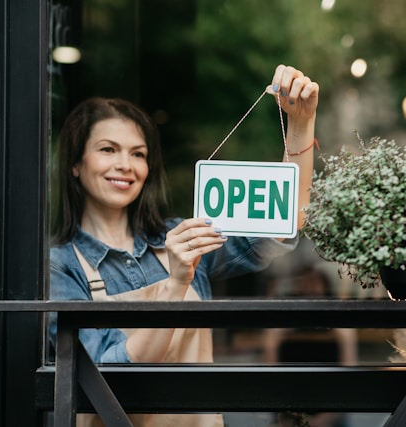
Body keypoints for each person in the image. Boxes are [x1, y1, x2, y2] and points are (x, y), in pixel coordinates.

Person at [48, 64, 319, 426]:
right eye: (108, 150)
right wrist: (176, 285)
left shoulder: (181, 236)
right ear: (76, 164)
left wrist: (301, 123)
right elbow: (105, 383)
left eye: (138, 154)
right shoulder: (60, 265)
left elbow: (282, 225)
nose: (125, 165)